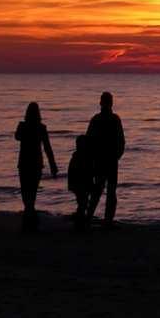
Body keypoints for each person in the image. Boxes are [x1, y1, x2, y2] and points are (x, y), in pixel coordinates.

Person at [14, 101, 58, 231]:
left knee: (25, 192)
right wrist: (53, 165)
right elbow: (47, 148)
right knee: (32, 193)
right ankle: (31, 221)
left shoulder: (23, 126)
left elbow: (17, 137)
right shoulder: (41, 127)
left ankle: (29, 221)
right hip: (36, 164)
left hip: (24, 163)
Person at [86, 91, 125, 226]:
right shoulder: (113, 119)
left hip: (102, 159)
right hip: (107, 159)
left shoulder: (97, 119)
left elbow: (88, 140)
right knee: (108, 191)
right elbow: (121, 141)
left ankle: (91, 216)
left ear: (101, 103)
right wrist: (117, 155)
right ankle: (106, 220)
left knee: (99, 189)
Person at [67, 135, 94, 229]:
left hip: (78, 183)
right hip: (79, 183)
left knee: (82, 201)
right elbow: (87, 172)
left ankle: (80, 218)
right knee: (83, 202)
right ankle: (80, 220)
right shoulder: (81, 157)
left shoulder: (78, 157)